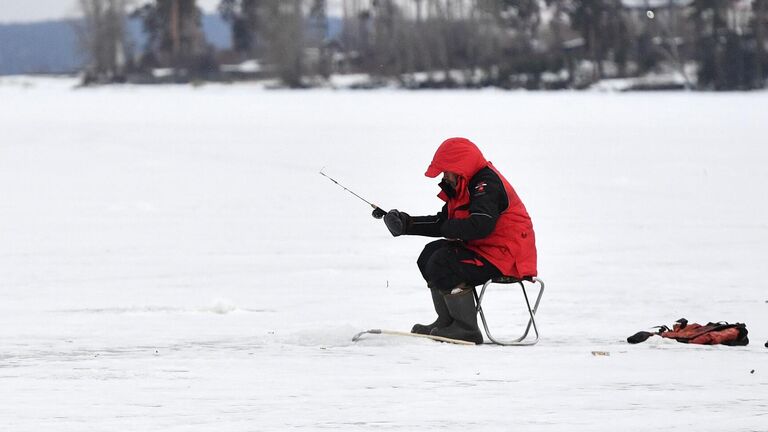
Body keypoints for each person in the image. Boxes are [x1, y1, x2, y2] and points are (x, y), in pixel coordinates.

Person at [380, 137, 537, 344]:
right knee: (429, 255)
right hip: (486, 249)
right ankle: (446, 322)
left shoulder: (486, 185)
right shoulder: (464, 185)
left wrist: (446, 228)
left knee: (444, 260)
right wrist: (406, 224)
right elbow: (444, 221)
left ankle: (466, 328)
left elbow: (481, 226)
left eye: (446, 170)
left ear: (459, 166)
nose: (445, 176)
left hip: (507, 257)